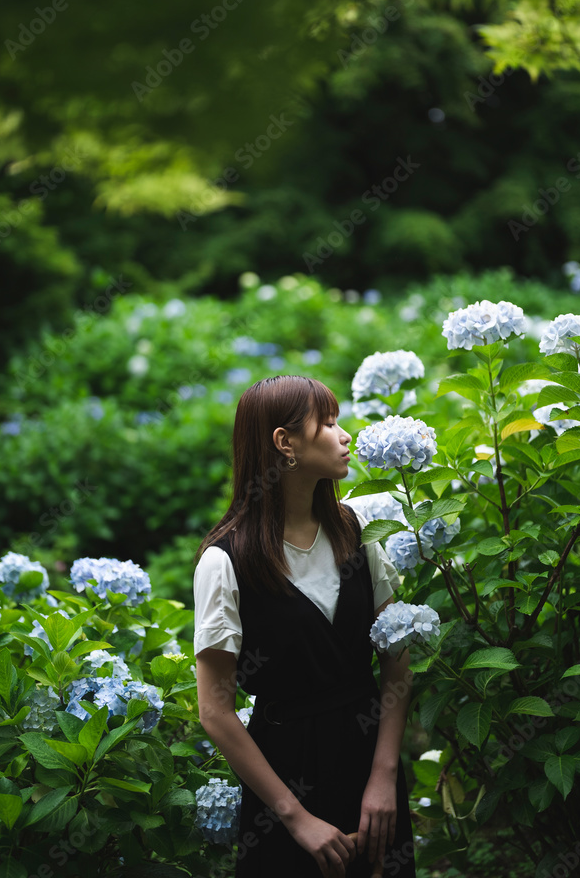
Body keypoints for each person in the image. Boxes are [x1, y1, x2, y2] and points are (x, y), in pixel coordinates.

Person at [193, 375, 415, 877]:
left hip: (370, 764)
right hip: (283, 781)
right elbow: (215, 710)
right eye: (328, 423)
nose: (345, 435)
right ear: (284, 442)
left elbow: (397, 666)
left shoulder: (357, 532)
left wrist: (382, 779)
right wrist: (296, 817)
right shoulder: (225, 562)